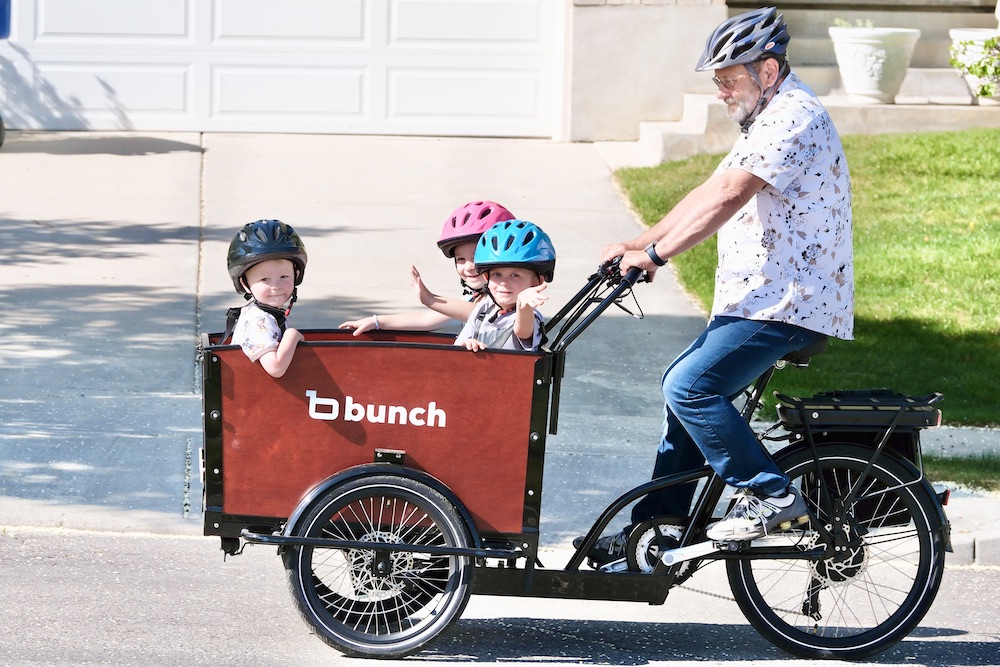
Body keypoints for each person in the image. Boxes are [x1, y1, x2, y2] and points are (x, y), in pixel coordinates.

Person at [579, 6, 854, 564]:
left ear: (768, 71)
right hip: (761, 298)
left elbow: (730, 198)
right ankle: (658, 530)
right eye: (719, 83)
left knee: (690, 387)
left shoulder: (792, 118)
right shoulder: (769, 117)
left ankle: (773, 496)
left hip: (788, 301)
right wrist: (641, 242)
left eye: (730, 80)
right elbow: (713, 188)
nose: (723, 93)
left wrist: (654, 255)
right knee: (683, 393)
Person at [339, 200, 515, 335]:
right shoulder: (473, 300)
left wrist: (431, 299)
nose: (468, 267)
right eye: (460, 259)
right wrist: (376, 321)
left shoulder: (511, 302)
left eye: (475, 257)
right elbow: (425, 319)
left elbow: (481, 315)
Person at [454, 219, 555, 352]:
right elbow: (455, 350)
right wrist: (467, 344)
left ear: (535, 283)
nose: (504, 282)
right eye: (497, 274)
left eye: (515, 275)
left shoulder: (530, 316)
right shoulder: (483, 309)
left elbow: (522, 331)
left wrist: (523, 305)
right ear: (486, 278)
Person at [226, 219, 308, 378]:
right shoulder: (260, 321)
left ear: (296, 275)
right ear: (245, 283)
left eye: (284, 276)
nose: (276, 286)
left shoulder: (266, 314)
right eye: (265, 279)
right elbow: (275, 368)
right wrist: (292, 334)